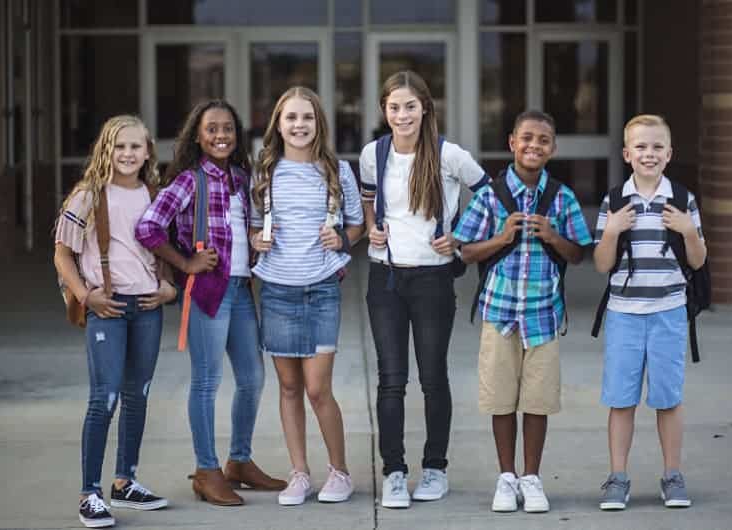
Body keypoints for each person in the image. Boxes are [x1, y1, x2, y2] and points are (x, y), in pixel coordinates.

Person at [135, 99, 285, 507]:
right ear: (198, 136)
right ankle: (206, 469)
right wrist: (185, 262)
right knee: (206, 381)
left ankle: (239, 462)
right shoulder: (188, 180)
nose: (221, 136)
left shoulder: (241, 177)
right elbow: (148, 227)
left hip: (240, 291)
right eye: (212, 129)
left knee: (252, 378)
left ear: (237, 136)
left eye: (228, 129)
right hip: (207, 292)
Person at [359, 70, 489, 508]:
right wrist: (373, 229)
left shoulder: (448, 155)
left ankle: (435, 468)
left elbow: (489, 195)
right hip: (387, 278)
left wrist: (461, 238)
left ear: (425, 108)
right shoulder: (372, 154)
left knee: (433, 378)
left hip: (434, 278)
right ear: (384, 111)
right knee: (391, 380)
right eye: (394, 107)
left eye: (410, 106)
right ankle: (394, 472)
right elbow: (369, 201)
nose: (402, 115)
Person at [453, 110, 592, 514]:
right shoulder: (490, 196)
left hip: (544, 315)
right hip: (499, 314)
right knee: (500, 399)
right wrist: (501, 237)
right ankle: (506, 476)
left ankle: (532, 477)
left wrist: (553, 235)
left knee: (537, 400)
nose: (534, 146)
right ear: (512, 142)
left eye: (543, 140)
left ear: (553, 148)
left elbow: (578, 253)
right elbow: (464, 250)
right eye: (527, 138)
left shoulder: (561, 198)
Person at [54, 115, 174, 528]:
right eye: (119, 146)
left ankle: (126, 481)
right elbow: (61, 254)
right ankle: (91, 492)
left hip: (148, 306)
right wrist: (87, 296)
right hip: (109, 306)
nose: (127, 154)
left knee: (137, 394)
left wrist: (168, 286)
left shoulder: (155, 194)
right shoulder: (88, 195)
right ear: (106, 149)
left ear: (148, 151)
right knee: (104, 398)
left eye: (135, 147)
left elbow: (163, 250)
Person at [250, 86, 364, 506]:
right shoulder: (263, 173)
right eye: (291, 118)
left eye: (307, 118)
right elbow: (251, 226)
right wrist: (254, 241)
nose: (299, 125)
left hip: (321, 289)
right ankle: (298, 473)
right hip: (278, 289)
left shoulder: (337, 171)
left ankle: (340, 471)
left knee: (317, 388)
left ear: (320, 124)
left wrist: (342, 239)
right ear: (278, 124)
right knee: (288, 386)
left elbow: (356, 226)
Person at [593, 114, 707, 511]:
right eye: (641, 147)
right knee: (621, 399)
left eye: (657, 147)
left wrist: (688, 231)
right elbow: (602, 265)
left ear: (669, 153)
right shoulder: (614, 201)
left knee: (668, 398)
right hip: (624, 314)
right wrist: (611, 231)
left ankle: (672, 474)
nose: (649, 154)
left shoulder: (682, 199)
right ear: (627, 154)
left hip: (669, 312)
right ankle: (617, 477)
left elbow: (697, 259)